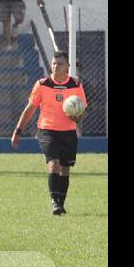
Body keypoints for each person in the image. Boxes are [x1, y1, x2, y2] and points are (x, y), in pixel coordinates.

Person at [11, 51, 86, 215]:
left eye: (59, 63)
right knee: (54, 163)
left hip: (68, 132)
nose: (55, 66)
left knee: (65, 169)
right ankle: (54, 203)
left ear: (67, 66)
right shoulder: (42, 84)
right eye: (53, 63)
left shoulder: (76, 85)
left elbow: (81, 113)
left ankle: (61, 203)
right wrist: (18, 131)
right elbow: (30, 109)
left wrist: (76, 115)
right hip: (47, 130)